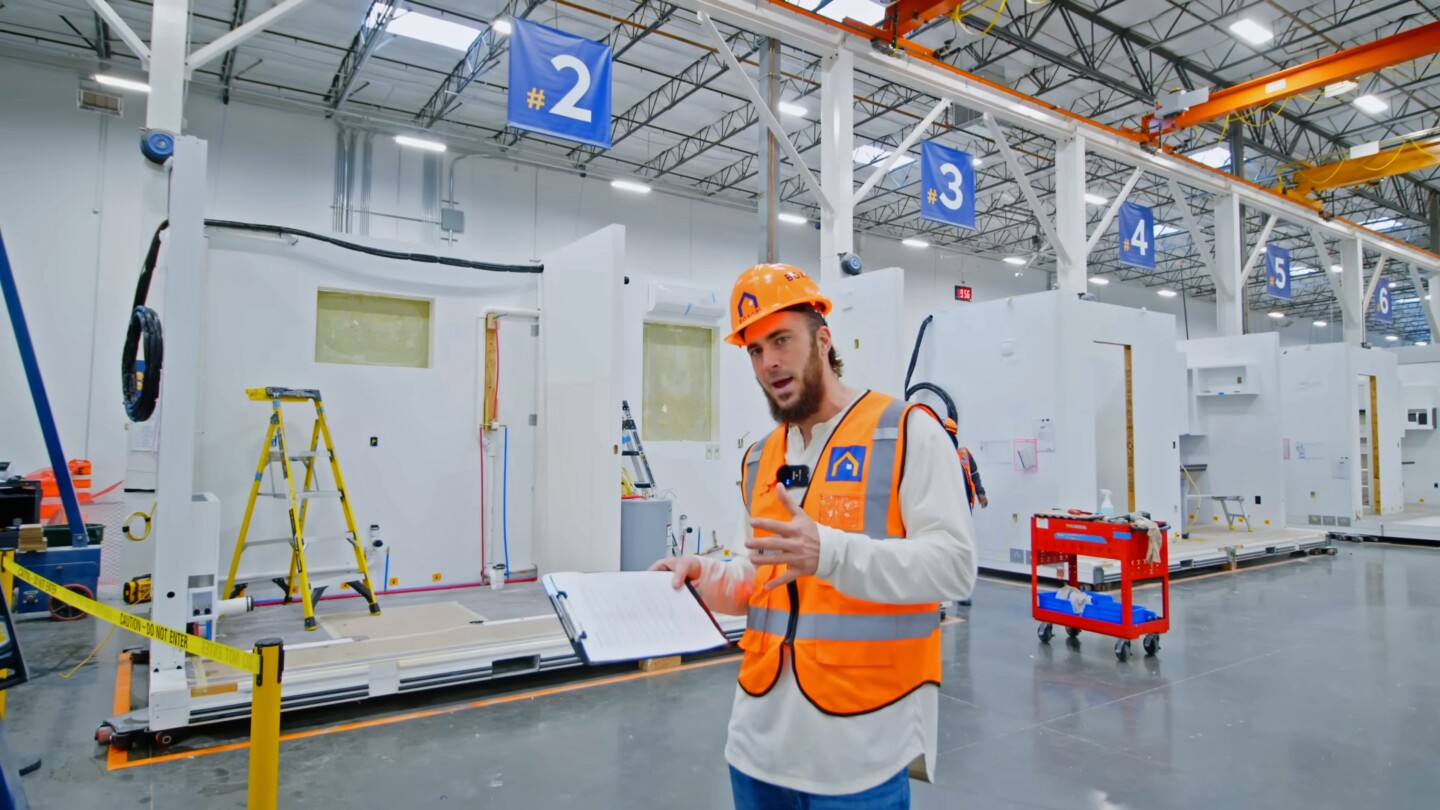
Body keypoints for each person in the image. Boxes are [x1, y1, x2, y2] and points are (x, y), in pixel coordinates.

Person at [652, 264, 977, 809]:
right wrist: (704, 576)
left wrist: (830, 552)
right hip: (756, 746)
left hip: (859, 753)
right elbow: (760, 579)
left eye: (781, 340)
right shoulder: (760, 458)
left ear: (823, 340)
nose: (768, 362)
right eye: (755, 350)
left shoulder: (905, 432)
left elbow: (955, 567)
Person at [942, 419, 988, 511]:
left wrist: (980, 492)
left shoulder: (964, 453)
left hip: (965, 505)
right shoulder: (937, 456)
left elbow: (974, 474)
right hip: (947, 506)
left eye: (951, 434)